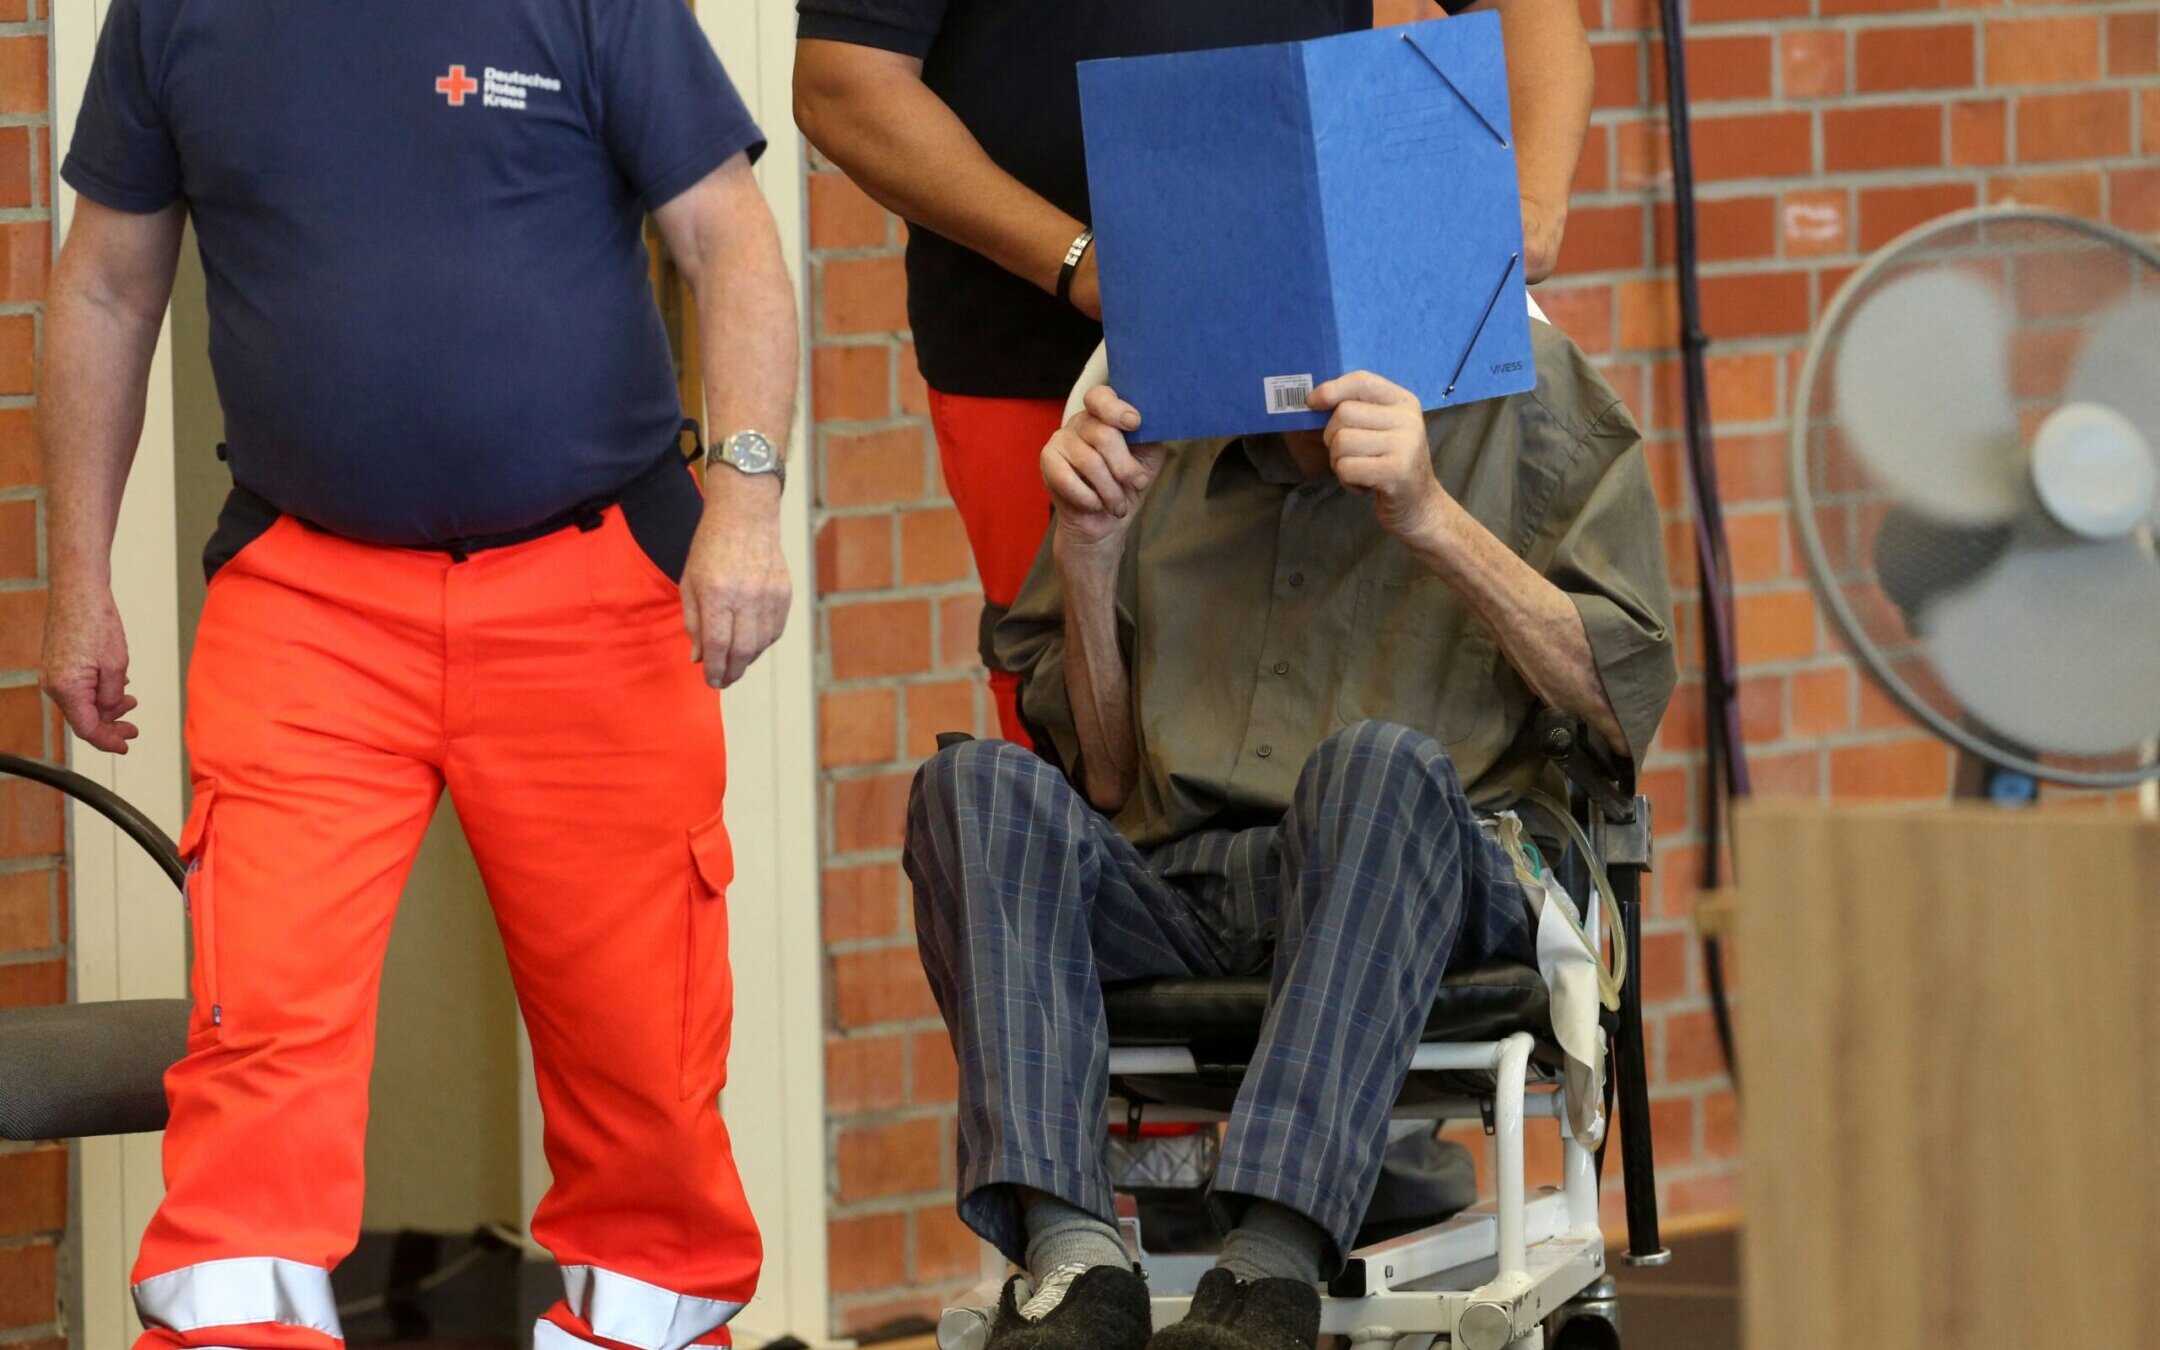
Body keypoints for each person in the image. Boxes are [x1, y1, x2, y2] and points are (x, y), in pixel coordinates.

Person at [37, 4, 795, 1349]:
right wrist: (80, 580)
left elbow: (726, 234)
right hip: (305, 601)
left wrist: (740, 502)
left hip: (594, 588)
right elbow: (104, 283)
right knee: (254, 1045)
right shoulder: (173, 13)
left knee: (645, 1076)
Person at [902, 320, 1675, 1350]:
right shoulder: (1152, 404)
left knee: (1377, 765)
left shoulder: (1533, 390)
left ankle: (1266, 1278)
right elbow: (1106, 777)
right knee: (971, 785)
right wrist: (1087, 558)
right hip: (1181, 876)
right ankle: (1074, 1269)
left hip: (1426, 866)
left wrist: (1432, 516)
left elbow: (1621, 705)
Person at [793, 0, 1593, 741]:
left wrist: (1531, 203)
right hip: (1043, 351)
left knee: (1341, 701)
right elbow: (842, 85)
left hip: (1322, 329)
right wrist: (1076, 260)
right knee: (1076, 717)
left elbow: (1533, 13)